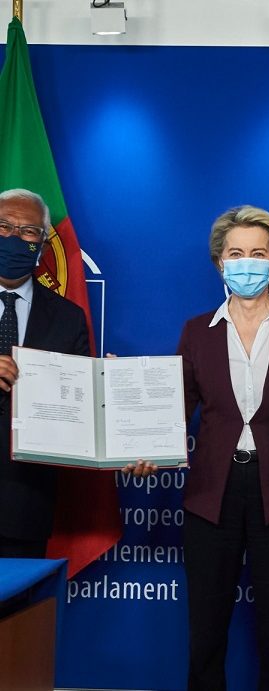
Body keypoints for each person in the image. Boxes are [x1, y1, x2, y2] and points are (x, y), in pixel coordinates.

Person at [177, 205, 269, 691]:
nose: (246, 263)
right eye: (235, 253)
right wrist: (126, 410)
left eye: (258, 254)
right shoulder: (196, 330)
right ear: (219, 262)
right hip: (211, 493)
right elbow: (173, 408)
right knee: (205, 629)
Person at [0, 188, 91, 558]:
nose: (13, 237)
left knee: (20, 600)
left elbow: (82, 410)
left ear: (42, 244)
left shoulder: (68, 319)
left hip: (24, 507)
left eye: (27, 231)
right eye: (3, 227)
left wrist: (109, 395)